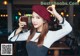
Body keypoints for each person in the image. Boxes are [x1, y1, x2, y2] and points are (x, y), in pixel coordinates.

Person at [8, 5, 72, 56]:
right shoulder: (29, 33)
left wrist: (56, 14)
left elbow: (68, 29)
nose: (34, 20)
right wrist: (20, 28)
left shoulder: (50, 35)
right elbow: (11, 38)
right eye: (33, 17)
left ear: (44, 20)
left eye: (38, 17)